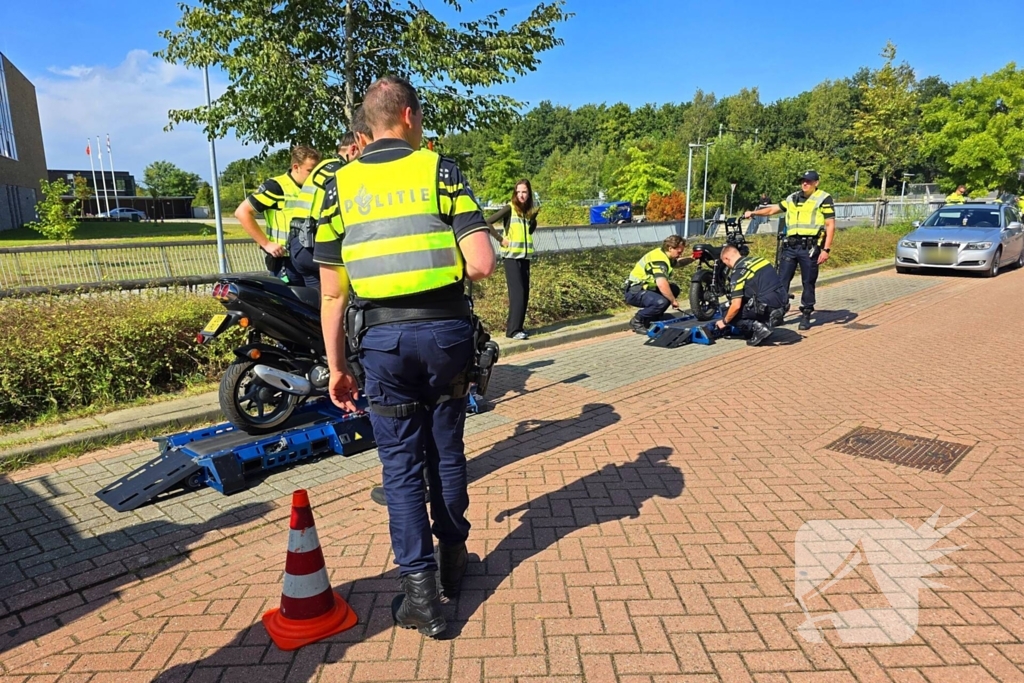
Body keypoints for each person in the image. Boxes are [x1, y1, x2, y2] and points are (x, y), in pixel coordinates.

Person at [313, 76, 496, 638]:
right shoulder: (441, 171)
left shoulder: (337, 187)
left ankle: (421, 598)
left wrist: (338, 367)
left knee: (400, 467)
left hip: (383, 343)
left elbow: (332, 294)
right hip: (446, 337)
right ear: (410, 117)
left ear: (367, 125)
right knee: (447, 449)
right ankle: (454, 561)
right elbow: (482, 264)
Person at [743, 170, 835, 331]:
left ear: (816, 183)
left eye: (809, 181)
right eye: (803, 181)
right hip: (790, 246)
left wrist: (826, 249)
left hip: (809, 247)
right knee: (781, 281)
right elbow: (772, 210)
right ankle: (778, 312)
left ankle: (806, 313)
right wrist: (754, 213)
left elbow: (830, 225)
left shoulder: (823, 198)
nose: (805, 183)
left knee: (808, 282)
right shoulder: (792, 198)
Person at [289, 125, 369, 289]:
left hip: (299, 245)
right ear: (353, 149)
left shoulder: (324, 166)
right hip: (312, 246)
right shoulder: (340, 171)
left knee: (319, 301)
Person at [234, 145, 321, 285]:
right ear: (296, 167)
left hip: (311, 258)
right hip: (286, 262)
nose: (314, 176)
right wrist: (266, 244)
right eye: (310, 171)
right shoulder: (276, 187)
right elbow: (242, 212)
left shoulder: (315, 188)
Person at [486, 179, 539, 340]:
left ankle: (519, 328)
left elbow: (528, 232)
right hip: (511, 257)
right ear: (515, 193)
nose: (521, 195)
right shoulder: (510, 208)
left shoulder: (526, 211)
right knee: (518, 294)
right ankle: (512, 331)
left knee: (525, 293)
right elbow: (487, 222)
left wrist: (533, 221)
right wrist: (500, 239)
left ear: (529, 194)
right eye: (518, 192)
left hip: (524, 257)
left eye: (524, 192)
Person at [711, 244, 789, 346]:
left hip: (767, 307)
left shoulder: (738, 273)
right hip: (783, 302)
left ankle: (758, 328)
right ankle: (761, 325)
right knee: (751, 300)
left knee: (727, 311)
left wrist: (724, 322)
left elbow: (736, 306)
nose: (726, 266)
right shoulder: (760, 260)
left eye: (724, 263)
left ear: (726, 258)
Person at [624, 235, 691, 334]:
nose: (681, 254)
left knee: (674, 289)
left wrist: (693, 258)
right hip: (634, 292)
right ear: (670, 248)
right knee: (661, 302)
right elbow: (662, 284)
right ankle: (637, 321)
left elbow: (678, 263)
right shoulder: (659, 260)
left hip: (646, 288)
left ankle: (652, 318)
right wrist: (673, 301)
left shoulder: (664, 254)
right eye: (679, 252)